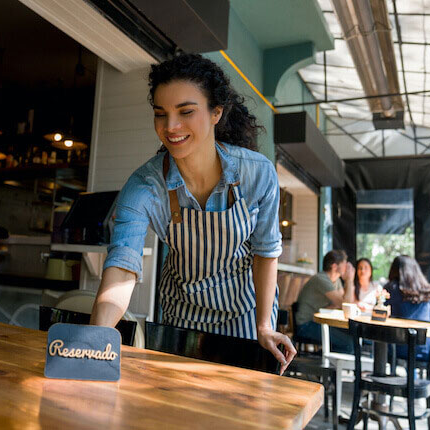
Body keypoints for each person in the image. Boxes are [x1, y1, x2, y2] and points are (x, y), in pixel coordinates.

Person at [89, 54, 296, 372]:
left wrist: (265, 326)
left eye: (185, 112)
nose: (170, 127)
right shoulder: (144, 185)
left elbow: (266, 253)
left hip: (244, 314)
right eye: (161, 114)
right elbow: (122, 265)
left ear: (216, 112)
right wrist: (97, 339)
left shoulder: (257, 174)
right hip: (180, 314)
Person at [294, 250, 355, 354]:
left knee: (352, 337)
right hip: (305, 325)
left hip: (318, 322)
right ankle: (323, 362)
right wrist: (349, 280)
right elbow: (345, 305)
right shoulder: (321, 279)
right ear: (335, 266)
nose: (347, 267)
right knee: (348, 343)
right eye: (344, 264)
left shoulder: (336, 281)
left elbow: (346, 305)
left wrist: (339, 304)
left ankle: (324, 357)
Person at [384, 255, 430, 361]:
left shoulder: (392, 288)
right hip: (426, 349)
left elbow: (383, 314)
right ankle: (414, 377)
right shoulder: (428, 292)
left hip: (398, 348)